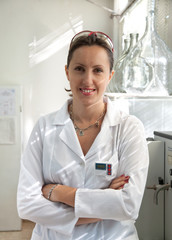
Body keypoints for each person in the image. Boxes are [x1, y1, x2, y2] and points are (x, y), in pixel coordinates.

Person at [17, 30, 149, 240]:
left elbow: (129, 205)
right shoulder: (44, 127)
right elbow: (27, 204)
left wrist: (58, 193)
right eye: (79, 69)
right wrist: (105, 203)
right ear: (67, 72)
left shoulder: (129, 128)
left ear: (110, 76)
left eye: (98, 70)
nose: (88, 80)